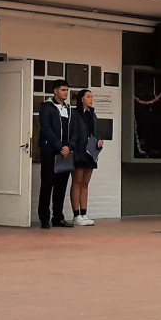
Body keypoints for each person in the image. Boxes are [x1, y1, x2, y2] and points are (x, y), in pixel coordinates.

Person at [37, 79, 73, 229]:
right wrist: (59, 146)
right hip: (50, 151)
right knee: (47, 184)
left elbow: (74, 130)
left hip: (65, 153)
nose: (66, 93)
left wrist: (69, 147)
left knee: (61, 186)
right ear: (55, 91)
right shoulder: (47, 107)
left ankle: (58, 217)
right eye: (63, 90)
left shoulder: (69, 109)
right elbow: (46, 129)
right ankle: (44, 218)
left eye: (67, 90)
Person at [67, 89, 103, 226]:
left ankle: (84, 213)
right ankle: (76, 215)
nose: (91, 99)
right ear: (81, 98)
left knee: (85, 183)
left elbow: (95, 132)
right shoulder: (75, 114)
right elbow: (73, 132)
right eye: (88, 96)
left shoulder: (93, 115)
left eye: (92, 96)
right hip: (78, 151)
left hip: (90, 152)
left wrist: (99, 140)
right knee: (77, 182)